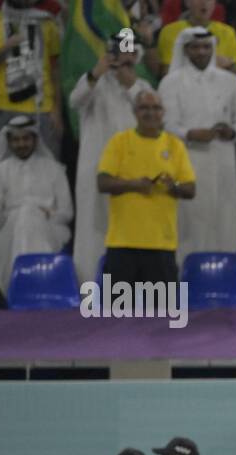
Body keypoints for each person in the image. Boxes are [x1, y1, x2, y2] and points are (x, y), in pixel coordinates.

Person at [160, 27, 236, 265]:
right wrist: (189, 133)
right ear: (186, 49)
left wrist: (233, 132)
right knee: (190, 220)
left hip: (223, 160)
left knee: (224, 217)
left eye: (206, 47)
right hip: (188, 158)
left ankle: (221, 278)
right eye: (195, 47)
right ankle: (187, 280)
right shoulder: (171, 82)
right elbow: (165, 123)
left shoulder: (230, 81)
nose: (201, 52)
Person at [69, 38, 152, 284]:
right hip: (96, 172)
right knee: (92, 231)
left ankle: (130, 288)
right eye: (116, 54)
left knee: (130, 229)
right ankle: (89, 286)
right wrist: (97, 71)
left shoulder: (142, 87)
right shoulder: (93, 83)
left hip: (132, 175)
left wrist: (130, 84)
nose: (121, 59)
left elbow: (151, 113)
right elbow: (75, 101)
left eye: (127, 54)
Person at [96, 89, 196, 286]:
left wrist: (172, 186)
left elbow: (190, 189)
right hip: (122, 244)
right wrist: (133, 185)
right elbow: (102, 182)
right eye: (144, 108)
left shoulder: (175, 145)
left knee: (162, 314)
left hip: (161, 244)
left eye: (156, 108)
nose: (151, 113)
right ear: (134, 112)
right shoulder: (119, 142)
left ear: (163, 112)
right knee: (118, 313)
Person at [0, 114, 72, 294]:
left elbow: (67, 212)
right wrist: (20, 214)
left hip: (51, 228)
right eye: (16, 140)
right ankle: (39, 286)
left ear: (35, 139)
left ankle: (21, 287)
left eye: (26, 138)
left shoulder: (54, 169)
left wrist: (46, 214)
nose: (21, 144)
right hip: (9, 231)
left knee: (29, 216)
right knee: (24, 217)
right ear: (8, 142)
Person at [0, 0, 63, 154]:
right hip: (2, 107)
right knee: (4, 172)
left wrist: (57, 109)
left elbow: (55, 69)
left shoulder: (47, 22)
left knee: (49, 170)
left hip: (42, 107)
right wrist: (6, 48)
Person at [158, 0, 236, 73]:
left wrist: (230, 66)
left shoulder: (228, 32)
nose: (204, 3)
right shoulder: (169, 31)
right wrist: (212, 63)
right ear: (187, 2)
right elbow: (167, 72)